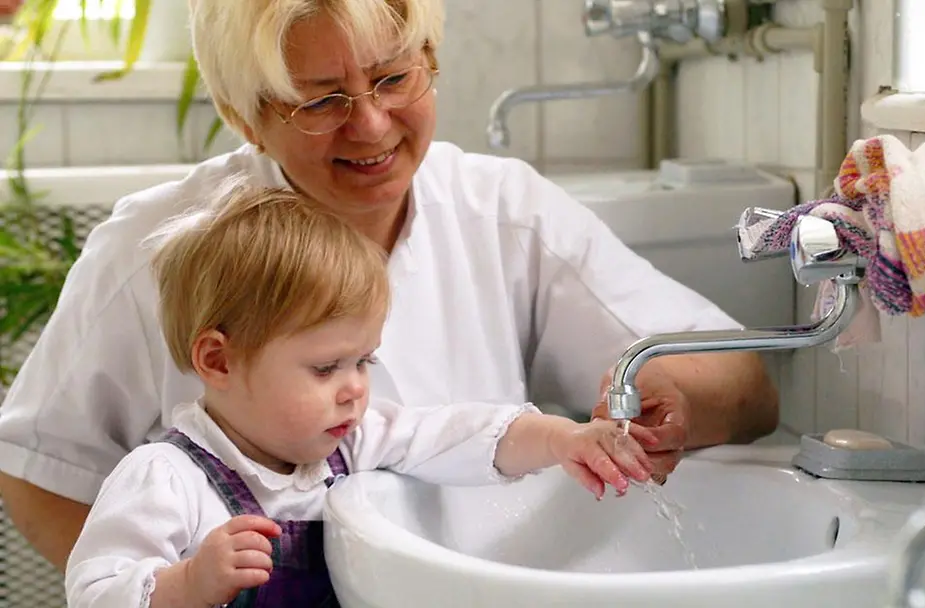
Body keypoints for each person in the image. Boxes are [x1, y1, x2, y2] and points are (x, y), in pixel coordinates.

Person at [0, 0, 779, 572]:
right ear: (245, 116)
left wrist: (677, 403)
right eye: (321, 100)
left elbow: (744, 382)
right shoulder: (154, 254)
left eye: (393, 78)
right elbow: (40, 474)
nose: (371, 126)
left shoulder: (502, 208)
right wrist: (160, 591)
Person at [63, 181, 656, 607]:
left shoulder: (352, 441)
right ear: (218, 359)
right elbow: (94, 589)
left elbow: (460, 435)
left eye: (363, 361)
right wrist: (185, 586)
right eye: (325, 368)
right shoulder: (165, 477)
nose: (353, 389)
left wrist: (562, 438)